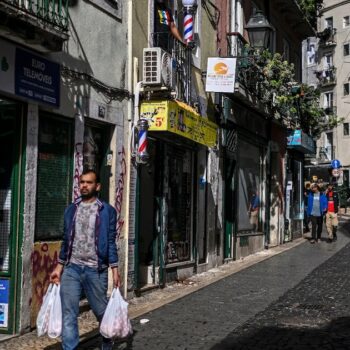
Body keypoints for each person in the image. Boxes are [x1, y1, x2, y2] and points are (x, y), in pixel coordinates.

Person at [50, 169, 120, 350]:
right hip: (72, 269)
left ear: (97, 186)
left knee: (101, 310)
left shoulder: (107, 211)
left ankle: (107, 338)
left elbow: (111, 241)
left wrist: (115, 269)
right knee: (69, 313)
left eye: (88, 183)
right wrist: (59, 268)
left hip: (95, 270)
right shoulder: (71, 210)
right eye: (82, 182)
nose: (84, 186)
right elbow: (66, 240)